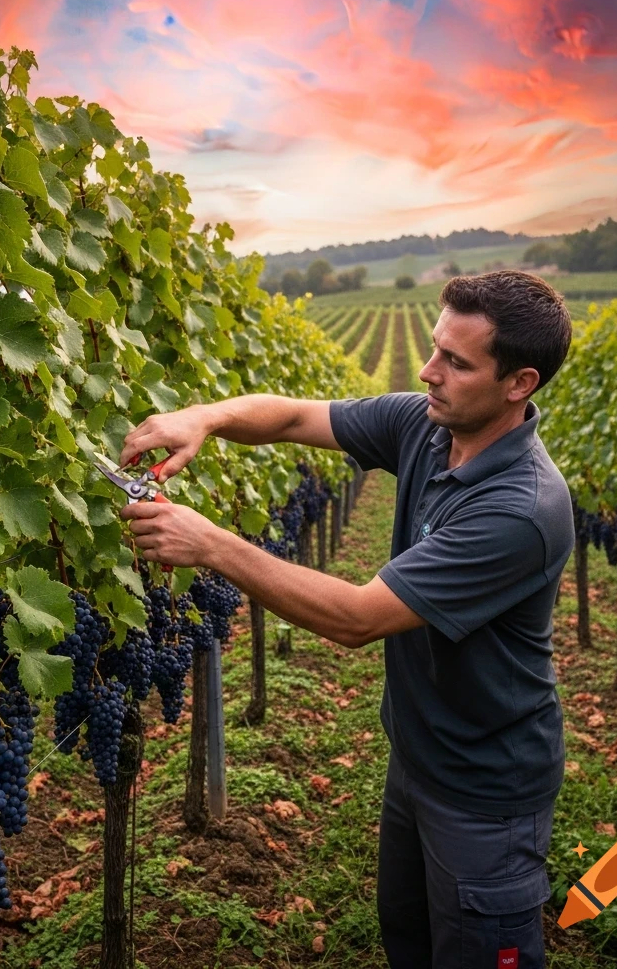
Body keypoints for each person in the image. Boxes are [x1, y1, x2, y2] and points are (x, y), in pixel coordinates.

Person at [118, 270, 575, 969]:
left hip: (488, 794)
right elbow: (299, 416)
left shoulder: (521, 510)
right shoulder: (427, 427)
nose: (429, 372)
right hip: (419, 757)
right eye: (433, 349)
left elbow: (359, 617)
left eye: (456, 362)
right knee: (409, 941)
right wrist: (203, 417)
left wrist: (209, 543)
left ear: (519, 383)